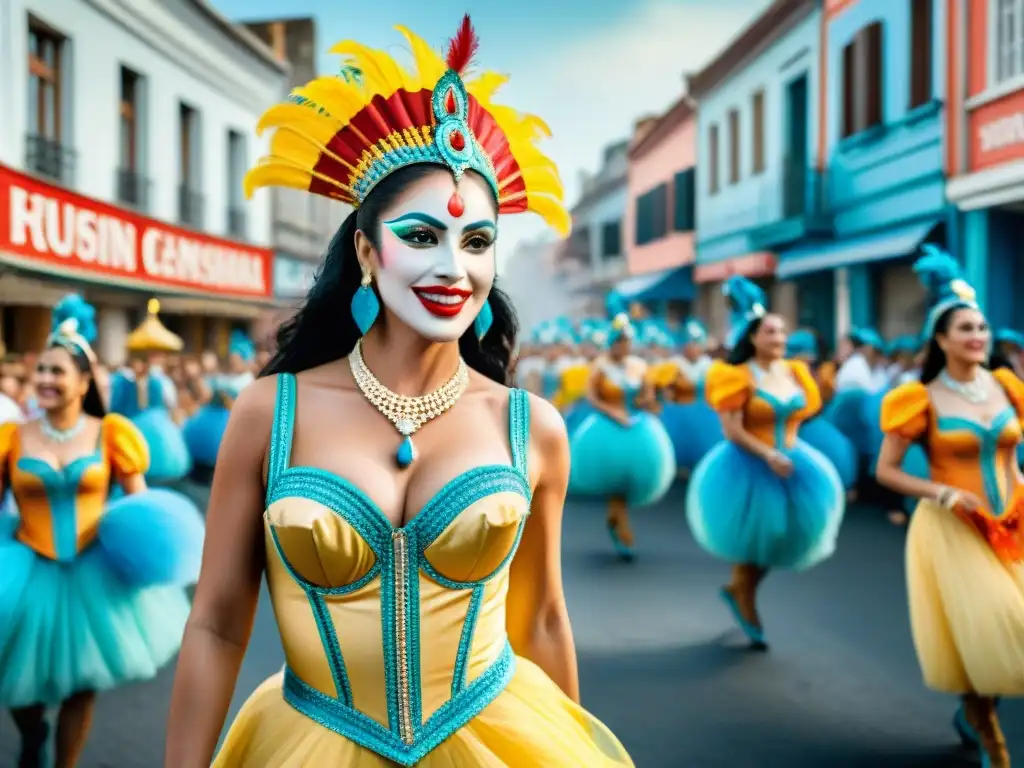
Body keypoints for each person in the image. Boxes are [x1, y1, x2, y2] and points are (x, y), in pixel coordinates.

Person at [165, 17, 633, 767]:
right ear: (365, 250)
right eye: (421, 237)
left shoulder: (531, 426)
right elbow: (217, 623)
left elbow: (543, 619)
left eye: (476, 242)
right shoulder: (270, 413)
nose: (453, 267)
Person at [0, 294, 203, 768]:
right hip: (24, 569)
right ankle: (32, 734)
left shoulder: (112, 433)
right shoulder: (11, 438)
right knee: (17, 682)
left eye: (57, 372)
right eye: (41, 371)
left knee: (83, 684)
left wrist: (149, 554)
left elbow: (141, 508)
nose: (45, 380)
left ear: (84, 381)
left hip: (95, 570)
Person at [876, 250, 1023, 768]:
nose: (978, 335)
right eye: (965, 328)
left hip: (1014, 521)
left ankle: (976, 711)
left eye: (982, 326)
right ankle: (988, 732)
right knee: (991, 624)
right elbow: (885, 470)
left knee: (1012, 630)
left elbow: (1012, 455)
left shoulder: (1007, 387)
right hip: (955, 529)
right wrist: (943, 494)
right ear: (941, 339)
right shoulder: (919, 398)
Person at [686, 277, 845, 648]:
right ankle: (743, 593)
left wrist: (784, 447)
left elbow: (804, 411)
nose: (779, 337)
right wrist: (767, 453)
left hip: (794, 461)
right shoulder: (734, 375)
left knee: (783, 537)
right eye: (770, 331)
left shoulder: (795, 372)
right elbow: (731, 429)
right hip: (748, 465)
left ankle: (741, 590)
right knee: (755, 536)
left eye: (782, 331)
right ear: (753, 337)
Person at [567, 312, 676, 560]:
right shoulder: (600, 366)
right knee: (614, 483)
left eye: (628, 342)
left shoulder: (638, 365)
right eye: (620, 342)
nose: (625, 346)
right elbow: (592, 397)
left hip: (637, 427)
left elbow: (646, 395)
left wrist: (651, 400)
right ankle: (622, 528)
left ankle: (616, 519)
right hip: (606, 430)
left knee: (627, 481)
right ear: (612, 343)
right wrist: (613, 412)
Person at [109, 300, 192, 484]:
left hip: (157, 441)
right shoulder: (121, 380)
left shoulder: (160, 381)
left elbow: (172, 409)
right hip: (127, 435)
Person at [183, 330, 256, 477]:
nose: (233, 363)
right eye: (231, 359)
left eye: (236, 360)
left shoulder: (247, 382)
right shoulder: (228, 379)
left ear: (246, 360)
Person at [660, 318, 722, 473]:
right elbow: (664, 393)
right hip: (679, 415)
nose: (693, 347)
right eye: (689, 343)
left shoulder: (710, 366)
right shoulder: (673, 365)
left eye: (696, 343)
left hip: (706, 416)